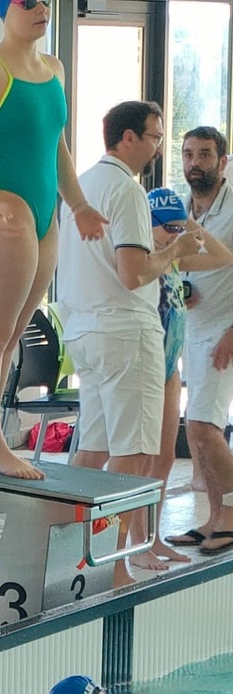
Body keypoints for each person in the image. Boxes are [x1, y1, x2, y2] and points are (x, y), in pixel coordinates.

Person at [0, 0, 107, 481]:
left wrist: (78, 204)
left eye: (45, 2)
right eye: (28, 2)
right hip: (4, 208)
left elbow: (56, 146)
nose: (42, 10)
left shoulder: (53, 68)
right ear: (3, 9)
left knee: (13, 333)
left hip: (42, 214)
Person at [58, 100, 204, 587]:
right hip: (125, 330)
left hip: (85, 329)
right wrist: (175, 251)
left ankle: (66, 556)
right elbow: (134, 273)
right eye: (155, 137)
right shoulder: (126, 190)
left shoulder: (80, 187)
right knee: (132, 454)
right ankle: (113, 564)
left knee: (92, 449)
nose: (159, 147)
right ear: (128, 138)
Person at [143, 186, 233, 568]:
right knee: (183, 439)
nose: (172, 233)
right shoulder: (150, 256)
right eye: (166, 226)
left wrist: (186, 224)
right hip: (176, 348)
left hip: (208, 341)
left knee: (196, 432)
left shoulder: (176, 249)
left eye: (175, 227)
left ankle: (227, 515)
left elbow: (224, 257)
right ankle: (213, 518)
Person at [166, 127, 233, 557]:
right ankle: (215, 517)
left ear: (222, 162)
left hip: (225, 331)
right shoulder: (179, 208)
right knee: (198, 428)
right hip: (190, 329)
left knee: (204, 428)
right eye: (188, 154)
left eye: (205, 155)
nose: (195, 163)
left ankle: (230, 515)